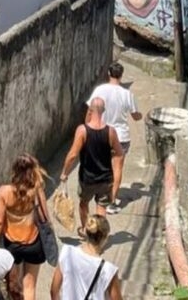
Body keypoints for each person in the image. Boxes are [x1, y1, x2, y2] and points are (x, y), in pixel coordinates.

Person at [59, 98, 123, 236]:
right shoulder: (111, 132)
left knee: (83, 204)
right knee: (101, 208)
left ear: (90, 110)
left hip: (87, 179)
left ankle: (85, 230)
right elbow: (119, 153)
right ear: (104, 111)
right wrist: (117, 179)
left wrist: (65, 173)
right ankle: (98, 236)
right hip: (106, 178)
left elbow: (72, 155)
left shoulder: (82, 131)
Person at [86, 62, 142, 213]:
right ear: (121, 75)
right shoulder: (127, 94)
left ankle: (97, 197)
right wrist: (141, 115)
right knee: (117, 168)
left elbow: (90, 111)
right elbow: (136, 116)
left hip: (101, 134)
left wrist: (87, 128)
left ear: (109, 74)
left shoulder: (99, 90)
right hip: (121, 136)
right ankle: (110, 203)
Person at [0, 154, 50, 300]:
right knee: (29, 286)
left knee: (13, 285)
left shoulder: (4, 192)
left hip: (12, 244)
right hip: (33, 243)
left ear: (14, 170)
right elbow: (45, 219)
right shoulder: (36, 191)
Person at [50, 214, 122, 300]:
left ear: (85, 231)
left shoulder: (67, 252)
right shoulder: (108, 270)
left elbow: (54, 291)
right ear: (105, 238)